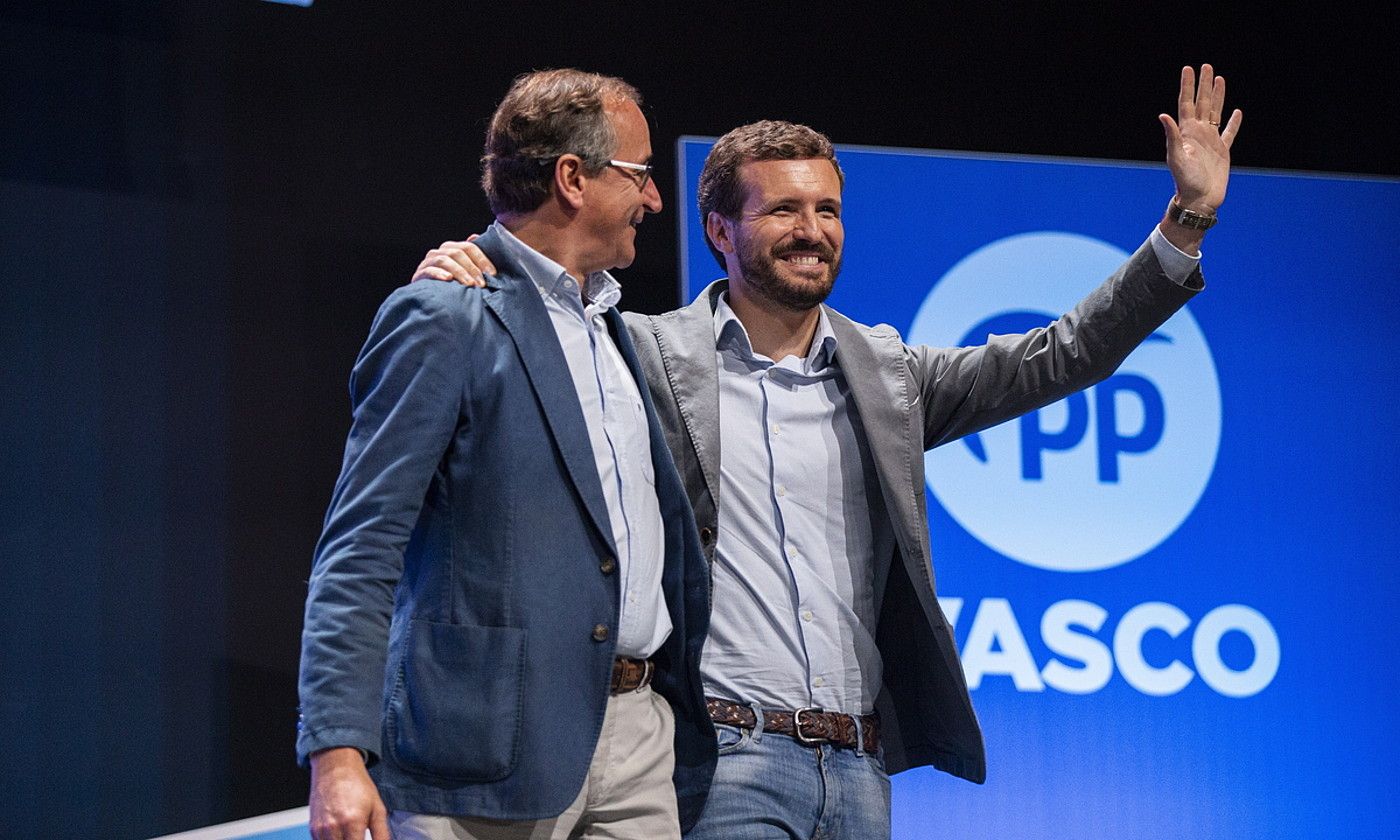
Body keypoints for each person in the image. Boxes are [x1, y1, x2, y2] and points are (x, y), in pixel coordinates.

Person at [413, 65, 1241, 839]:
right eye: (782, 211)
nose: (812, 232)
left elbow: (1063, 354)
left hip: (859, 767)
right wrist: (472, 267)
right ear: (719, 229)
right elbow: (541, 316)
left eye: (828, 211)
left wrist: (1186, 223)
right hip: (724, 761)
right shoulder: (638, 357)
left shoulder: (889, 377)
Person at [297, 69, 714, 840]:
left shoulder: (618, 330)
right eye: (641, 174)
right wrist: (337, 753)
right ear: (572, 179)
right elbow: (360, 548)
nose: (654, 199)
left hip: (639, 736)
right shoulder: (446, 315)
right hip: (482, 752)